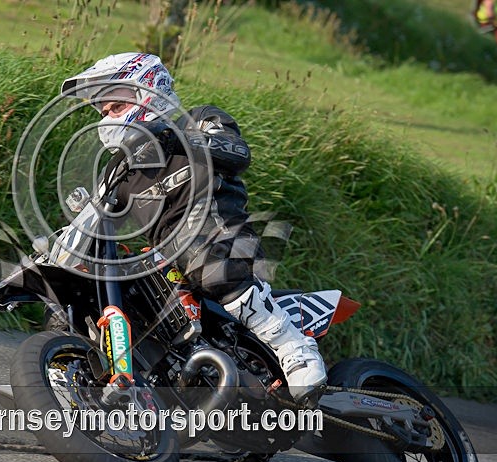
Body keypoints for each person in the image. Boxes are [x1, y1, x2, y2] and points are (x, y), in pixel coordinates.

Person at [60, 52, 326, 404]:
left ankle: (294, 346)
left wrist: (176, 139)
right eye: (103, 111)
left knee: (205, 260)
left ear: (145, 92)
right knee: (101, 288)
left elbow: (237, 153)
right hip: (170, 260)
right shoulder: (120, 169)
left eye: (114, 106)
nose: (106, 117)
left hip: (219, 233)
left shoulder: (197, 120)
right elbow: (96, 217)